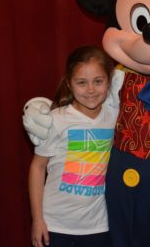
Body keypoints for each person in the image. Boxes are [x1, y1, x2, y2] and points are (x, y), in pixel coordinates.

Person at [28, 45, 116, 247]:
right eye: (82, 83)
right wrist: (38, 219)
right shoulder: (56, 119)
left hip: (98, 226)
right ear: (69, 83)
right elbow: (37, 167)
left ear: (109, 82)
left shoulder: (114, 116)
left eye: (98, 81)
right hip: (56, 225)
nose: (91, 90)